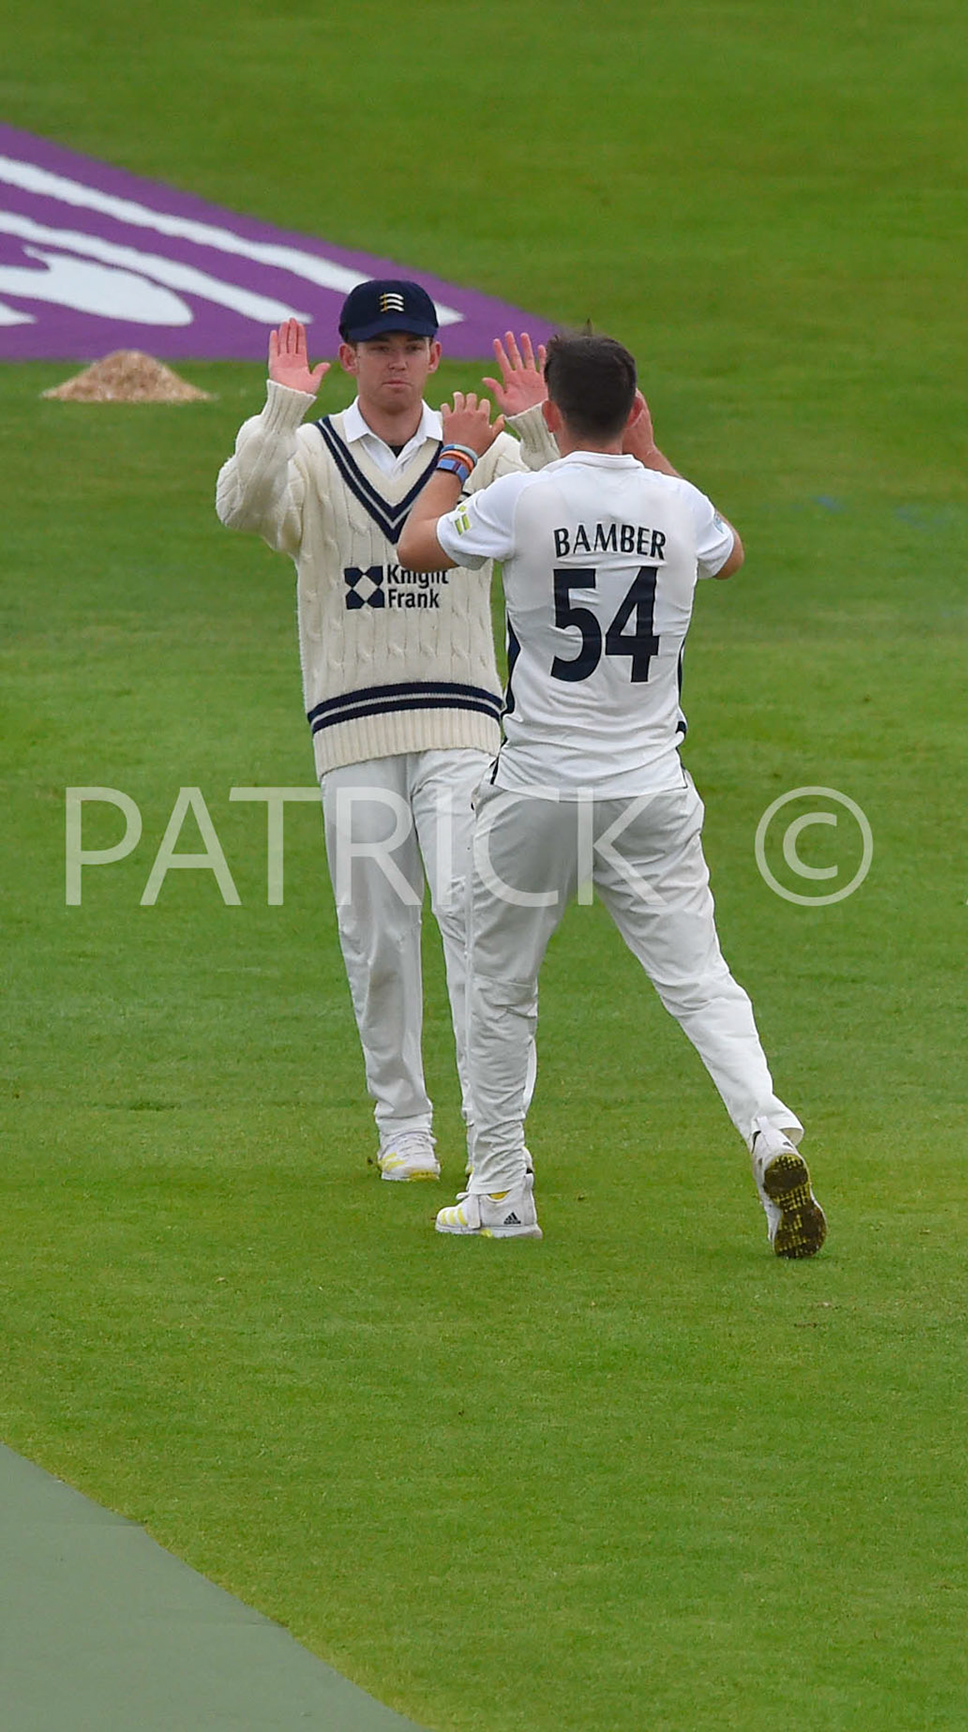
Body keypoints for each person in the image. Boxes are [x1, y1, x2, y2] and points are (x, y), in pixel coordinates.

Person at [393, 331, 824, 1255]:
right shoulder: (679, 504)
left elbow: (416, 546)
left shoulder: (524, 496)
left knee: (500, 987)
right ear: (633, 408)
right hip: (650, 790)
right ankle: (769, 1132)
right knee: (702, 982)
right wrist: (652, 450)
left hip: (539, 787)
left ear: (548, 412)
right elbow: (733, 555)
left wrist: (457, 455)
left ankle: (502, 1192)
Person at [216, 280, 558, 1183]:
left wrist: (530, 431)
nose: (396, 362)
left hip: (463, 723)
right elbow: (242, 509)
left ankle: (498, 1128)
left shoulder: (474, 446)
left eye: (410, 348)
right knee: (376, 935)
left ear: (435, 358)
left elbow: (561, 520)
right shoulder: (313, 453)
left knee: (470, 912)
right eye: (378, 347)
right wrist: (280, 408)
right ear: (349, 357)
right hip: (354, 727)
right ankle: (405, 1129)